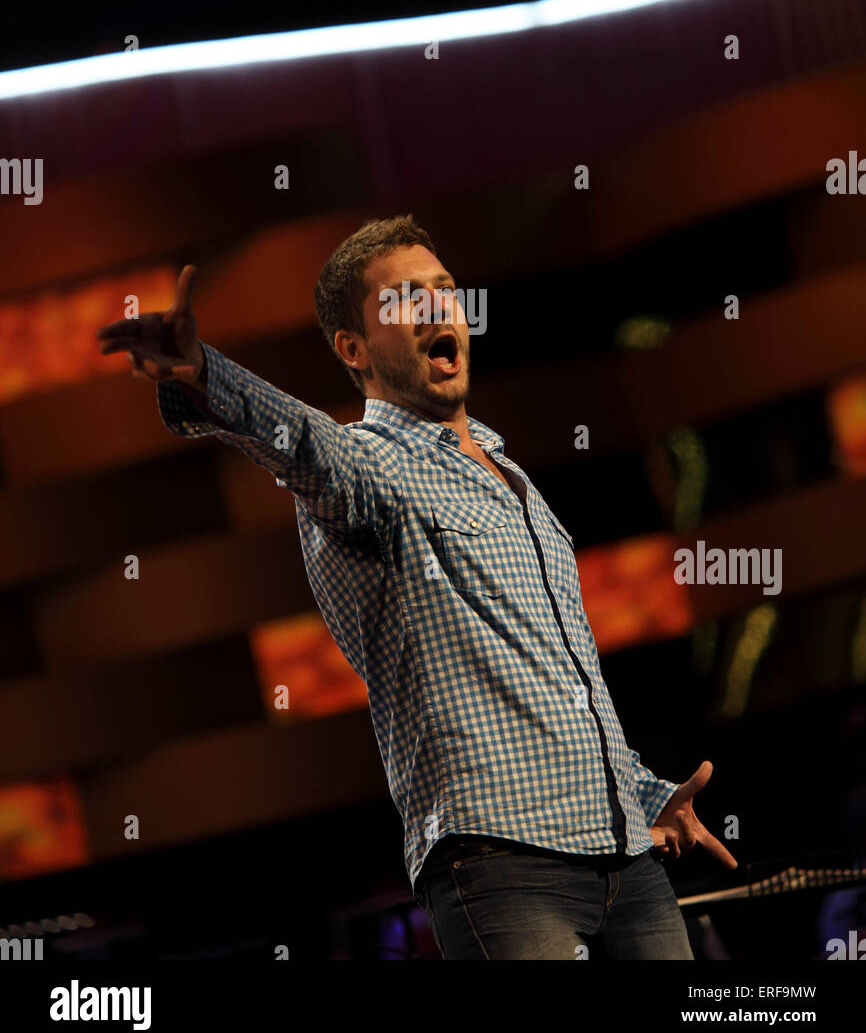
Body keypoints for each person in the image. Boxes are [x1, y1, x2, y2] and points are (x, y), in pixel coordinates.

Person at [95, 214, 736, 960]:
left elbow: (553, 680)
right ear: (354, 349)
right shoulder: (370, 468)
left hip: (628, 855)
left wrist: (644, 793)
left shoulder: (513, 477)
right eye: (404, 299)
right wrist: (203, 372)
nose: (436, 308)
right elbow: (302, 444)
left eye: (445, 290)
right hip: (502, 863)